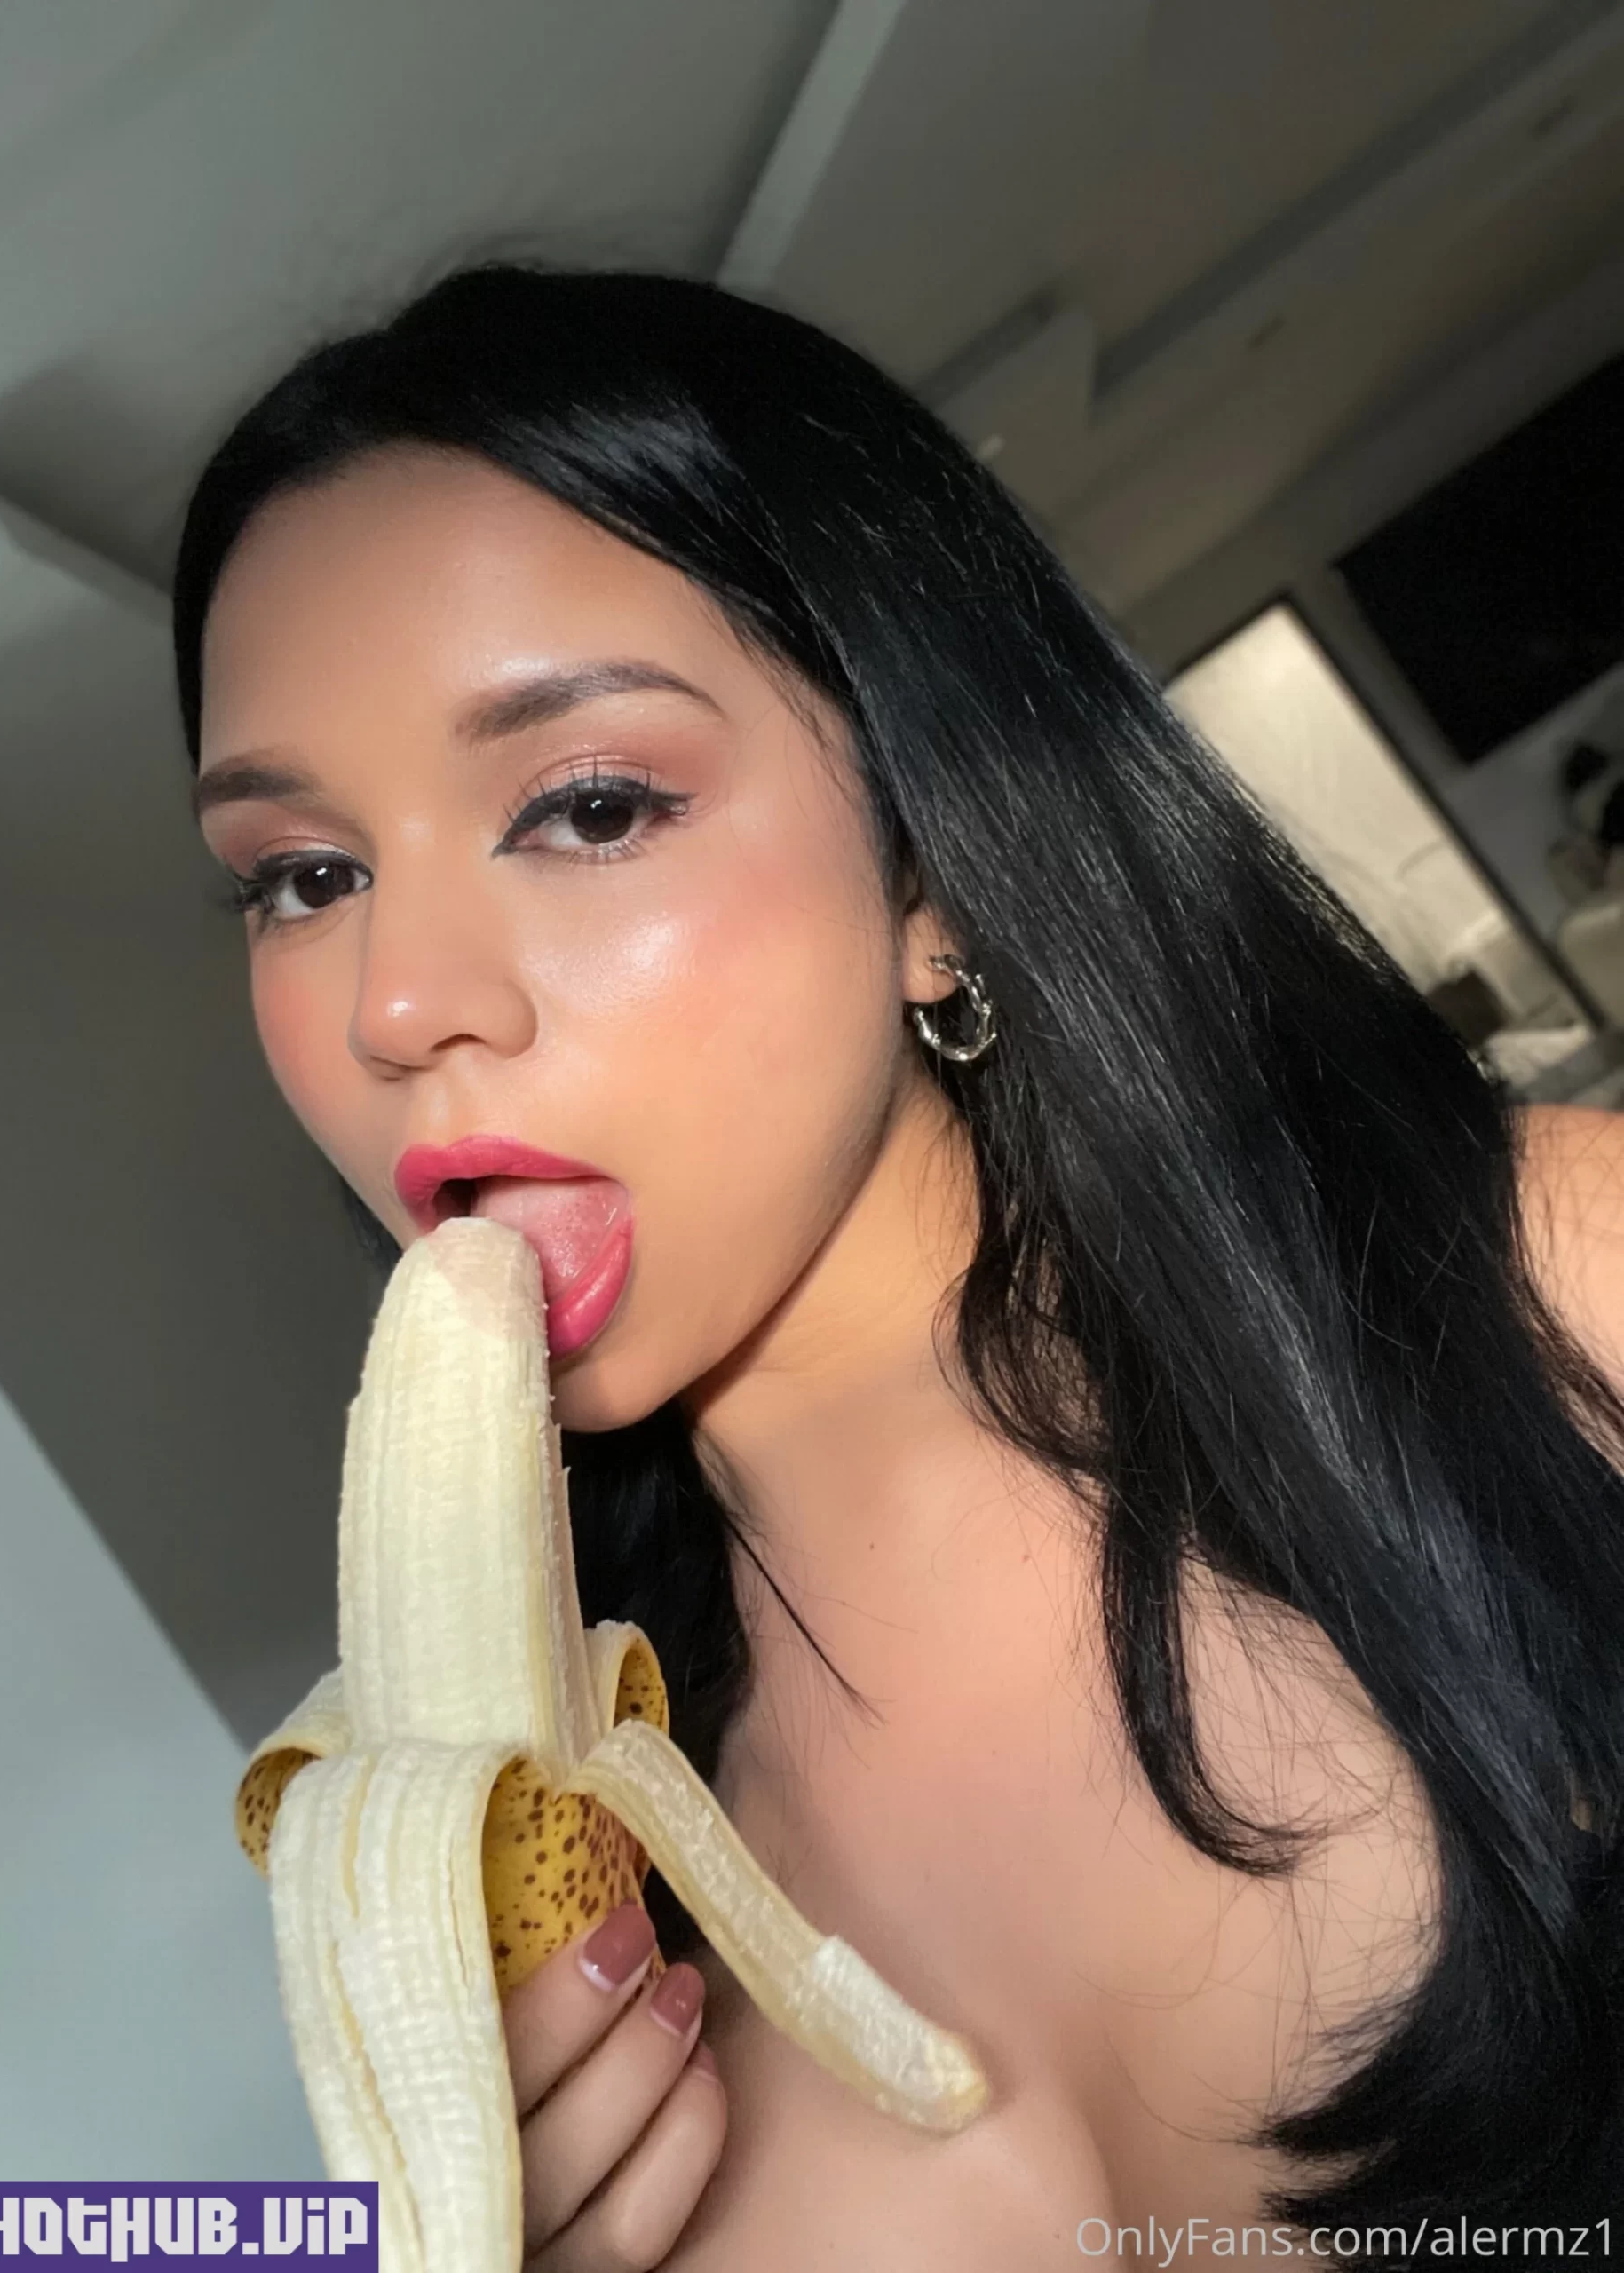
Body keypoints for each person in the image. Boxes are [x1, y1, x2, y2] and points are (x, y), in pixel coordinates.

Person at [171, 264, 1624, 2267]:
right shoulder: (565, 1901)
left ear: (933, 865)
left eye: (588, 805)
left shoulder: (1561, 1289)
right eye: (304, 876)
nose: (394, 1002)